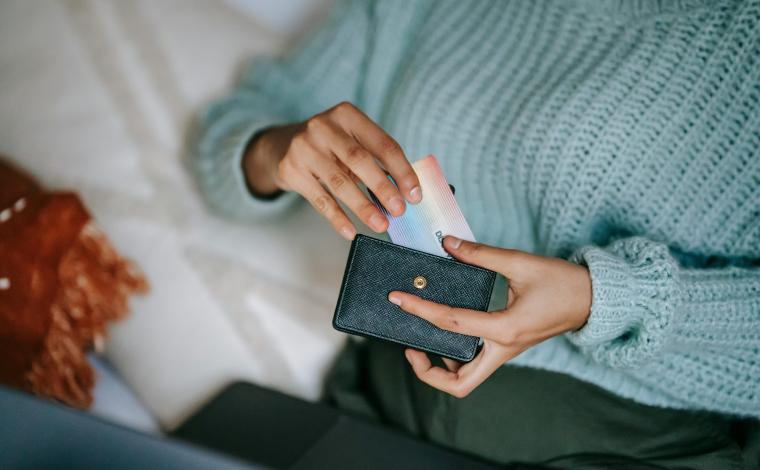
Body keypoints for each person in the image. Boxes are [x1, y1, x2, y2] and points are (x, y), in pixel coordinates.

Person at [191, 0, 760, 467]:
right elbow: (233, 131)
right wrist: (278, 149)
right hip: (376, 412)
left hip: (625, 445)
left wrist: (605, 299)